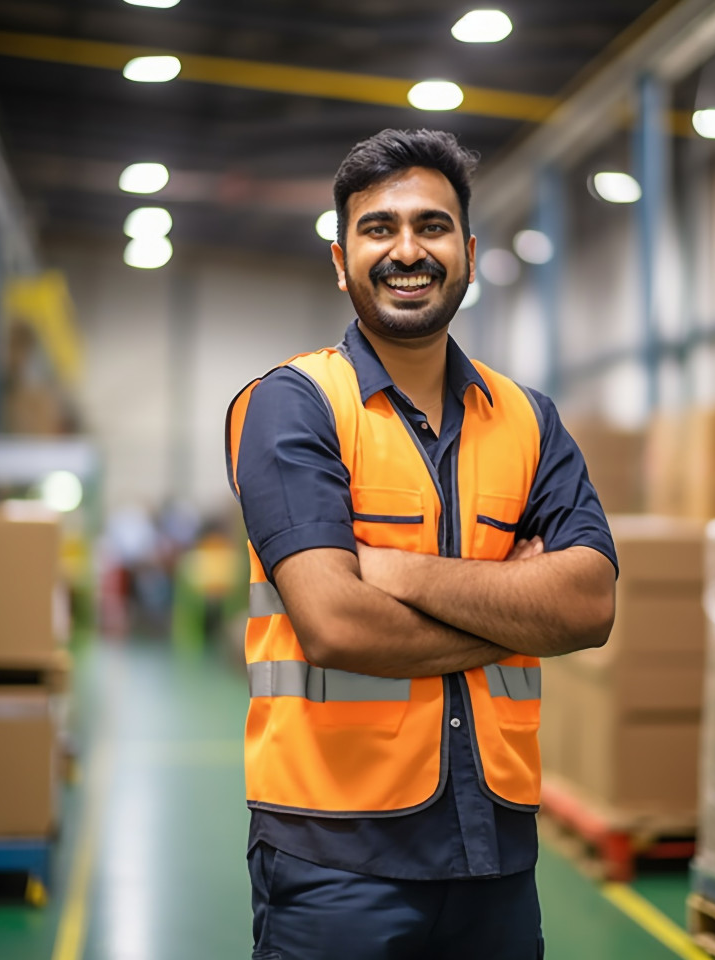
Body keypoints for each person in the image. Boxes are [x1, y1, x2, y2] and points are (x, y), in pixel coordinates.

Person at [226, 128, 617, 960]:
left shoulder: (528, 419)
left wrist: (392, 569)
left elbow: (588, 604)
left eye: (432, 226)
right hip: (335, 859)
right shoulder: (292, 406)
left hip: (498, 855)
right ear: (341, 259)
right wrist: (514, 610)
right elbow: (335, 624)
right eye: (379, 228)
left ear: (468, 253)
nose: (409, 249)